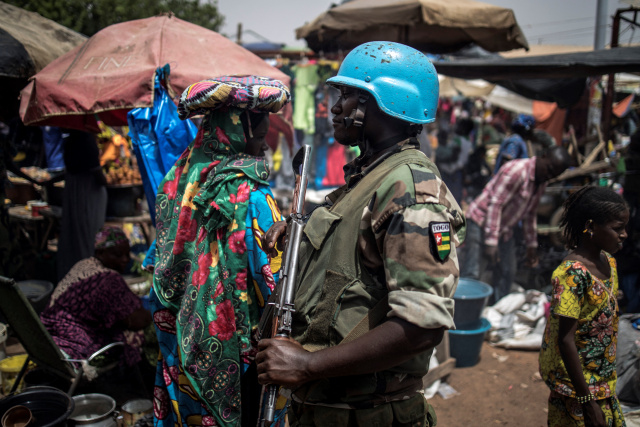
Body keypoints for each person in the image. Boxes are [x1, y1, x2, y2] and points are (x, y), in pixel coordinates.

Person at [257, 42, 466, 426]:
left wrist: (307, 365)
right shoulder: (371, 175)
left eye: (351, 95)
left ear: (387, 102)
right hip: (328, 408)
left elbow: (421, 328)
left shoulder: (412, 190)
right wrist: (301, 237)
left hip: (370, 414)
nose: (336, 107)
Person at [151, 76, 289, 426]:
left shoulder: (176, 180)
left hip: (179, 336)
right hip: (232, 344)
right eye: (259, 137)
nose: (263, 146)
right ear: (237, 131)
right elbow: (272, 280)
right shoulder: (249, 194)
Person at [539, 186, 629, 427]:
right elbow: (565, 340)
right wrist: (587, 401)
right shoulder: (571, 275)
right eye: (617, 228)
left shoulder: (608, 261)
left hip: (603, 381)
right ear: (591, 227)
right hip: (577, 389)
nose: (624, 235)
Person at [461, 146, 572, 303]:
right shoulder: (517, 171)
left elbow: (530, 213)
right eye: (549, 169)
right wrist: (491, 242)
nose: (549, 175)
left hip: (503, 229)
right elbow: (495, 204)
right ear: (544, 156)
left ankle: (497, 309)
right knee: (473, 271)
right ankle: (464, 312)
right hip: (480, 222)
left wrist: (531, 245)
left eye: (554, 174)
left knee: (507, 271)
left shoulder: (541, 182)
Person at [40, 226, 151, 366]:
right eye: (117, 255)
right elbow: (136, 321)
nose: (125, 260)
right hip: (76, 349)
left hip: (48, 338)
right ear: (100, 253)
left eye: (127, 254)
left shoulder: (83, 265)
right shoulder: (107, 279)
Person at [55, 130, 108, 280]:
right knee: (88, 237)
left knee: (76, 237)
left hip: (76, 192)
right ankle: (88, 277)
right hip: (88, 194)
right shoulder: (85, 139)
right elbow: (99, 175)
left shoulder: (70, 141)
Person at [436, 117, 474, 202]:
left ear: (464, 128)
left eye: (459, 125)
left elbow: (453, 156)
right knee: (454, 199)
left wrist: (440, 160)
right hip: (458, 172)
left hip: (450, 171)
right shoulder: (468, 141)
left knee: (443, 197)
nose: (456, 127)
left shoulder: (458, 139)